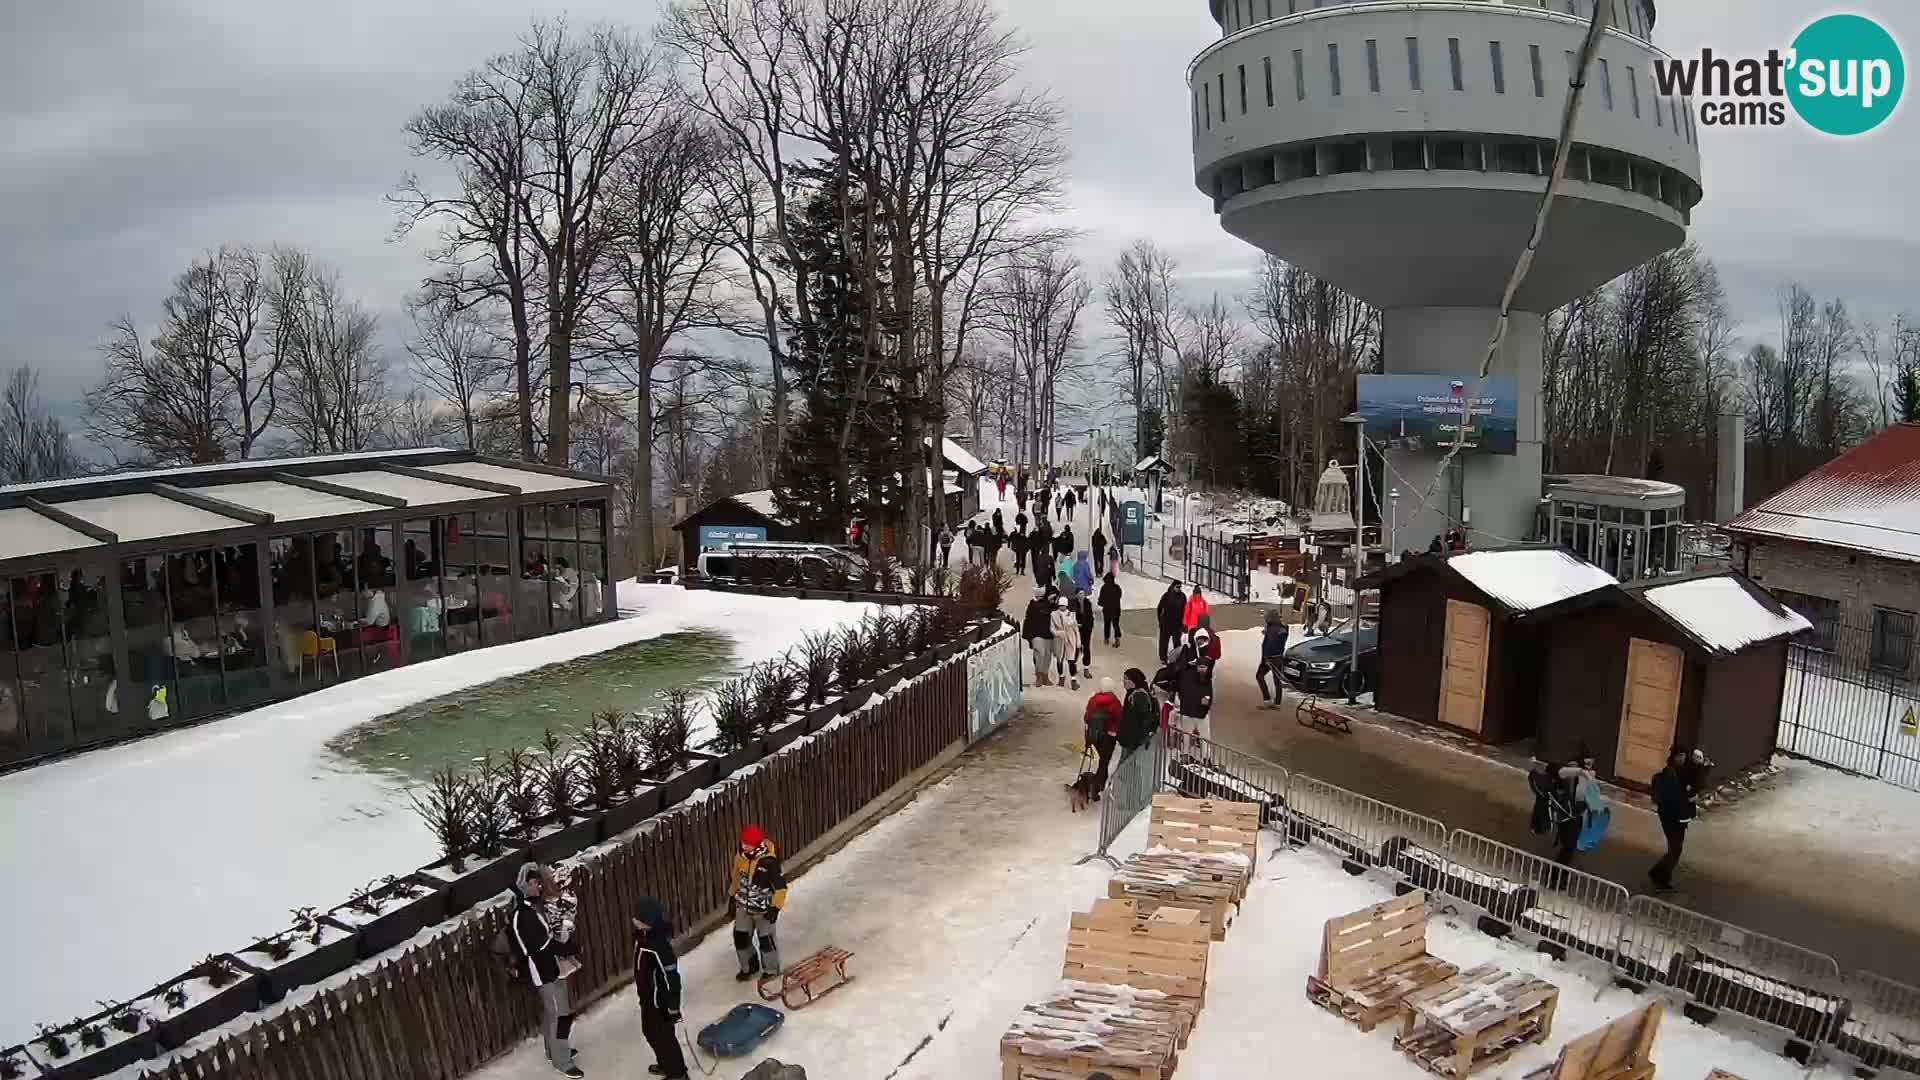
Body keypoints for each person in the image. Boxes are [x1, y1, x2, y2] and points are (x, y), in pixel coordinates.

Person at [510, 862, 583, 1077]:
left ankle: (554, 1050)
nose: (537, 886)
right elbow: (537, 945)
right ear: (524, 885)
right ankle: (563, 1062)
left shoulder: (536, 906)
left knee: (554, 1013)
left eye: (537, 882)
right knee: (560, 1015)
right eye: (532, 883)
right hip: (542, 971)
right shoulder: (522, 914)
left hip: (552, 967)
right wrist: (564, 947)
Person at [632, 897, 688, 1080]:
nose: (633, 920)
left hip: (661, 1003)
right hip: (648, 999)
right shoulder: (643, 938)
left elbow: (672, 978)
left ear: (648, 921)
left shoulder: (659, 947)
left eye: (637, 918)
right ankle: (666, 1064)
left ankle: (678, 1074)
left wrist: (673, 1006)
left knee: (665, 1039)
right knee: (649, 1032)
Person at [731, 824, 788, 982]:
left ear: (757, 844)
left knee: (766, 940)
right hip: (743, 905)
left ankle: (771, 970)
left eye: (747, 844)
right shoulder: (740, 856)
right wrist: (732, 896)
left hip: (764, 909)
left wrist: (775, 908)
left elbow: (781, 888)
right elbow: (736, 877)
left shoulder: (769, 862)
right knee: (740, 937)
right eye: (742, 843)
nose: (743, 846)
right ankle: (749, 966)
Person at [1650, 746, 1708, 893]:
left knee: (1675, 849)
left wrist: (1700, 764)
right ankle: (1661, 876)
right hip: (1671, 817)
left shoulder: (1684, 770)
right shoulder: (1670, 773)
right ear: (1674, 757)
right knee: (1675, 849)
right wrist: (1688, 797)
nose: (1682, 758)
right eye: (1679, 756)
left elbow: (1698, 782)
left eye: (1683, 755)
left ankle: (1659, 872)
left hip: (1680, 818)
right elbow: (1673, 796)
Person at [1173, 636, 1214, 756]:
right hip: (1192, 714)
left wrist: (1206, 703)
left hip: (1198, 714)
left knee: (1204, 738)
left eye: (1204, 667)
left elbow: (1209, 696)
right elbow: (1183, 692)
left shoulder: (1206, 679)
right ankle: (1187, 755)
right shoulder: (1190, 678)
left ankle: (1205, 758)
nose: (1203, 670)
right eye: (1201, 667)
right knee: (1191, 737)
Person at [1083, 678, 1123, 796]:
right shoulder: (1114, 701)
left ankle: (1097, 783)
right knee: (1104, 761)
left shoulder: (1093, 700)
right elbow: (1119, 718)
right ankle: (1097, 785)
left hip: (1095, 736)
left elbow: (1087, 717)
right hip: (1109, 736)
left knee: (1103, 760)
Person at [1118, 667, 1156, 761]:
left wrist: (1138, 739)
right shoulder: (1132, 693)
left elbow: (1144, 719)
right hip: (1130, 738)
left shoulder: (1139, 696)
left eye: (1126, 679)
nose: (1123, 682)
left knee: (1126, 766)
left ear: (1132, 681)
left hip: (1133, 740)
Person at [1256, 607, 1290, 708]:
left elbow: (1270, 645)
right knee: (1276, 680)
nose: (1265, 619)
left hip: (1271, 658)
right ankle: (1276, 702)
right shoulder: (1276, 628)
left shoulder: (1275, 630)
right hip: (1274, 658)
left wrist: (1266, 658)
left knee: (1260, 677)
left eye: (1266, 618)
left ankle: (1268, 700)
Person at [1023, 591, 1056, 686]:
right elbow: (1028, 620)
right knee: (1040, 654)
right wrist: (1028, 637)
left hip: (1048, 634)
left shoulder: (1050, 606)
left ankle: (1045, 676)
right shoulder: (1033, 606)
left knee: (1047, 656)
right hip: (1037, 634)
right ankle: (1039, 676)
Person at [1051, 595, 1082, 689]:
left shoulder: (1072, 614)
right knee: (1059, 659)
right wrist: (1059, 633)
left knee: (1071, 660)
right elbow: (1052, 628)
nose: (1062, 607)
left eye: (1064, 605)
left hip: (1070, 639)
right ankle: (1061, 678)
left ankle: (1073, 680)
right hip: (1059, 639)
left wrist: (1078, 641)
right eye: (1060, 605)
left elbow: (1076, 628)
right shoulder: (1054, 614)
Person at [1156, 581, 1186, 663]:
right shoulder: (1167, 595)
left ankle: (1177, 658)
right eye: (1177, 587)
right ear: (1173, 587)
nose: (1179, 589)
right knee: (1164, 641)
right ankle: (1163, 658)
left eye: (1180, 587)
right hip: (1166, 623)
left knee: (1177, 642)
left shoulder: (1182, 596)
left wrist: (1183, 623)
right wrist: (1160, 620)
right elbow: (1159, 608)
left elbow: (1185, 610)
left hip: (1177, 624)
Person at [1098, 572, 1123, 646]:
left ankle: (1106, 639)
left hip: (1107, 610)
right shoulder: (1117, 587)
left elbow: (1101, 601)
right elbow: (1120, 596)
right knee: (1116, 624)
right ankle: (1117, 638)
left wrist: (1102, 603)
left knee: (1107, 624)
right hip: (1116, 609)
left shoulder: (1104, 588)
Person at [1074, 592, 1096, 671]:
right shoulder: (1073, 603)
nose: (1082, 595)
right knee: (1076, 647)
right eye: (1080, 594)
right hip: (1077, 629)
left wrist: (1090, 626)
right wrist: (1076, 624)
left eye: (1083, 594)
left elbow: (1091, 615)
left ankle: (1086, 667)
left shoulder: (1088, 603)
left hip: (1087, 629)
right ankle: (1074, 664)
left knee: (1086, 647)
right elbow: (1071, 616)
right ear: (1076, 595)